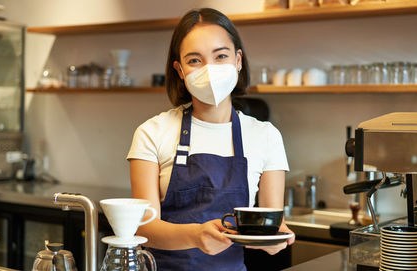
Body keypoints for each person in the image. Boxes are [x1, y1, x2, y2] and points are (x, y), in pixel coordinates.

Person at [126, 8, 294, 271]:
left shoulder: (266, 136)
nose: (209, 69)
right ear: (179, 70)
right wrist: (195, 236)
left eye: (221, 56)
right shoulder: (152, 132)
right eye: (195, 60)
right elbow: (144, 226)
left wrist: (275, 240)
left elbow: (271, 223)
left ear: (238, 60)